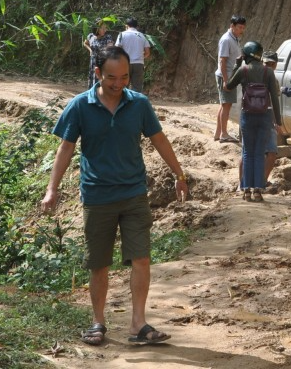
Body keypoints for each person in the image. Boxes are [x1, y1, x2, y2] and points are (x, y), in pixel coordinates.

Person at [42, 46, 190, 347]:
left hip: (134, 193)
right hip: (97, 196)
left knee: (142, 258)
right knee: (99, 263)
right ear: (98, 73)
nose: (119, 84)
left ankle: (138, 324)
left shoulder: (139, 104)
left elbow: (159, 139)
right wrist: (52, 189)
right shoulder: (80, 106)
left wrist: (179, 174)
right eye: (112, 77)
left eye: (124, 77)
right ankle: (97, 322)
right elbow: (66, 148)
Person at [226, 41, 282, 201]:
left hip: (247, 115)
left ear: (247, 55)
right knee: (259, 153)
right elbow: (274, 98)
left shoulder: (243, 70)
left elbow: (228, 86)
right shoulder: (268, 72)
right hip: (265, 116)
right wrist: (278, 121)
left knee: (247, 153)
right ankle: (257, 191)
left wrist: (237, 65)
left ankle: (246, 190)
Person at [214, 15, 246, 144]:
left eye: (243, 28)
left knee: (224, 105)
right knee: (226, 106)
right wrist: (226, 81)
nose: (241, 30)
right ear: (232, 26)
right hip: (226, 75)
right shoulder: (226, 39)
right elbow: (223, 61)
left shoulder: (234, 38)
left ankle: (218, 133)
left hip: (229, 75)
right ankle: (224, 134)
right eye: (239, 27)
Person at [116, 18, 151, 93]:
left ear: (126, 26)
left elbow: (117, 50)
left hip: (125, 63)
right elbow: (147, 52)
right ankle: (136, 100)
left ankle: (124, 99)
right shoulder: (142, 36)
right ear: (137, 26)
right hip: (139, 64)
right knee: (137, 87)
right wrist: (141, 57)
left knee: (124, 85)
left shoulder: (122, 34)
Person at [84, 21, 114, 88]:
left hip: (103, 61)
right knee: (93, 77)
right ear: (97, 29)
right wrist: (90, 50)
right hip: (93, 61)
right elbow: (85, 43)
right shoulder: (90, 36)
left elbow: (110, 48)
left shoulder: (108, 37)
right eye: (102, 28)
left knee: (101, 78)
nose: (105, 30)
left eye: (105, 28)